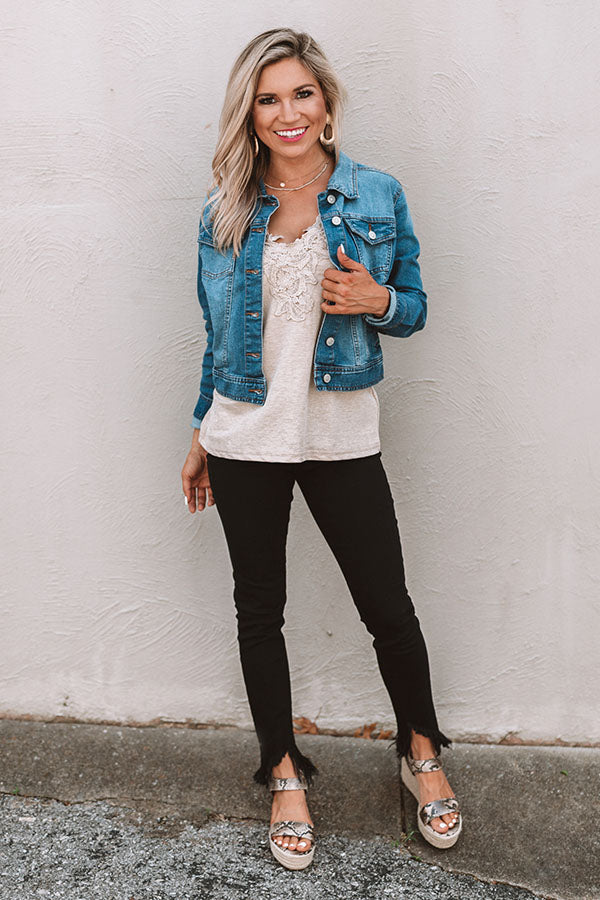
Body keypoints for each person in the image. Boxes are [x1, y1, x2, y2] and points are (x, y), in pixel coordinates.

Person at [181, 27, 461, 870]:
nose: (287, 112)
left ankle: (421, 753)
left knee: (387, 606)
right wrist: (200, 431)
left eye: (301, 93)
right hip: (244, 436)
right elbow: (218, 339)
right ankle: (283, 771)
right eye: (268, 99)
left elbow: (413, 306)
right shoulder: (225, 209)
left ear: (327, 102)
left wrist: (378, 300)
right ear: (250, 114)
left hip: (341, 435)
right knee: (258, 612)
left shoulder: (377, 193)